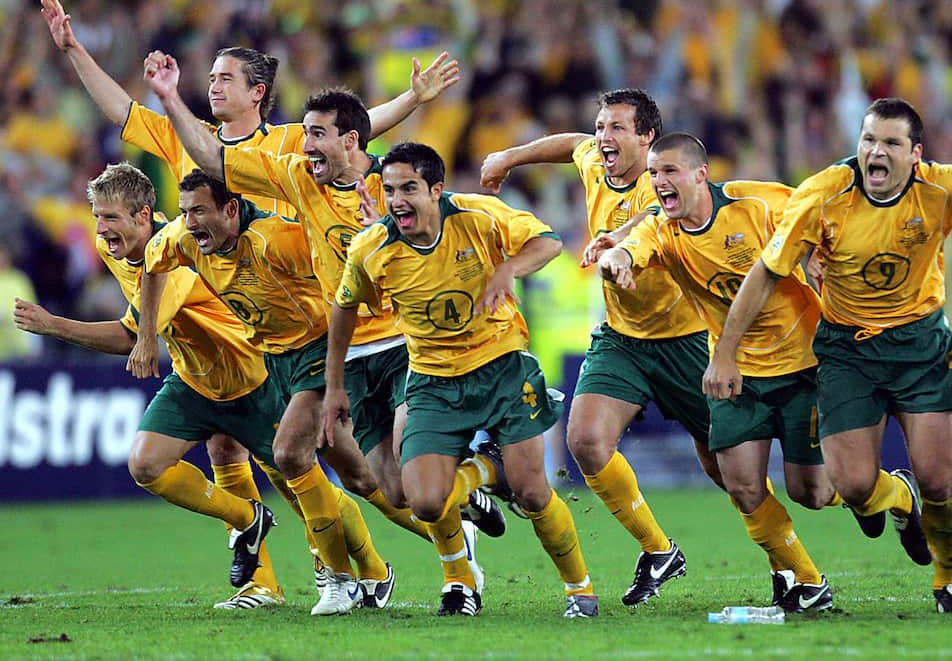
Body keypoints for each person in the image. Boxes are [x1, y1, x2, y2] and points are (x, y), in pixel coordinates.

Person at [40, 0, 463, 573]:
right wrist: (74, 48)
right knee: (255, 452)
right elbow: (120, 110)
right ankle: (316, 572)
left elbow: (356, 133)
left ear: (256, 92)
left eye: (225, 78)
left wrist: (412, 99)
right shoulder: (184, 135)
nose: (212, 86)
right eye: (210, 77)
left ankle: (412, 550)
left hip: (297, 317)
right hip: (232, 317)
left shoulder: (290, 146)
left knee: (342, 467)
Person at [706, 97, 952, 614]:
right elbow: (766, 273)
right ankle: (899, 499)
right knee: (854, 487)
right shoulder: (822, 194)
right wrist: (725, 352)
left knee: (939, 481)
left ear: (915, 154)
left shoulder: (942, 186)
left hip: (920, 346)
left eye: (889, 143)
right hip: (846, 351)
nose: (874, 152)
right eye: (867, 140)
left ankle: (947, 579)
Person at [146, 55, 506, 588]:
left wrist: (389, 227)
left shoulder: (395, 187)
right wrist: (171, 97)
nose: (306, 146)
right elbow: (212, 158)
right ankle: (454, 503)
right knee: (374, 480)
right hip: (337, 348)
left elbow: (446, 236)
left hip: (402, 343)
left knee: (315, 454)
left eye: (317, 136)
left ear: (350, 144)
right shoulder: (296, 177)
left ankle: (390, 573)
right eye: (306, 135)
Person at [322, 142, 598, 618]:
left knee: (532, 492)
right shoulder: (373, 248)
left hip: (501, 367)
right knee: (423, 501)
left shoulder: (478, 215)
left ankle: (580, 592)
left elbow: (548, 240)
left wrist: (508, 269)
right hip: (432, 381)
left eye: (409, 188)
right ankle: (480, 504)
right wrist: (333, 388)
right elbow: (345, 307)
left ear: (436, 189)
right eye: (389, 190)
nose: (397, 200)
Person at [479, 88, 722, 606]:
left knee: (734, 471)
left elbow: (655, 216)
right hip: (623, 338)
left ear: (647, 138)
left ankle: (801, 566)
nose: (603, 138)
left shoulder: (671, 180)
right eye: (601, 126)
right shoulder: (592, 158)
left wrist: (619, 238)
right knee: (586, 441)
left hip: (688, 340)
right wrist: (509, 157)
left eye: (616, 128)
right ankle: (658, 550)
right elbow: (570, 144)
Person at [597, 132, 854, 614]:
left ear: (701, 174)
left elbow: (818, 216)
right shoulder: (659, 228)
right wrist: (615, 262)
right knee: (740, 484)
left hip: (804, 364)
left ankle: (892, 494)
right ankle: (805, 578)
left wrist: (819, 253)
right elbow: (627, 248)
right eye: (653, 174)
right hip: (734, 369)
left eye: (669, 171)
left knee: (813, 492)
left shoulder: (755, 202)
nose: (658, 182)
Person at [13, 163, 285, 609]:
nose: (101, 230)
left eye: (110, 218)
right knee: (152, 463)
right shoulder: (115, 249)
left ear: (143, 216)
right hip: (198, 372)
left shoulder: (173, 257)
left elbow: (131, 335)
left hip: (254, 367)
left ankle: (363, 571)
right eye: (97, 217)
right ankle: (257, 560)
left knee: (298, 477)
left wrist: (54, 326)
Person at [144, 168, 390, 616]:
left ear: (231, 208)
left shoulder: (278, 239)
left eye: (199, 211)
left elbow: (343, 270)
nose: (190, 221)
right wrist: (146, 337)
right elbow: (152, 261)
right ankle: (410, 552)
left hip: (316, 349)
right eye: (184, 212)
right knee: (360, 476)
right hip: (272, 361)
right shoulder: (178, 239)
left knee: (297, 458)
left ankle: (341, 577)